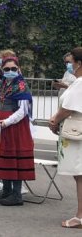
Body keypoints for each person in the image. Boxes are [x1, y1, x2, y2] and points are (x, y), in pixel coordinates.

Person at [0, 57, 34, 206]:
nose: (10, 72)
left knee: (13, 157)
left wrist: (6, 122)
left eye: (13, 69)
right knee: (3, 156)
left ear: (18, 69)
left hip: (14, 127)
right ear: (2, 70)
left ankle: (16, 195)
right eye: (7, 69)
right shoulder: (0, 86)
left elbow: (23, 111)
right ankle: (6, 191)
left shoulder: (22, 86)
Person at [49, 47, 82, 228]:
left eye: (70, 62)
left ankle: (80, 216)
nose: (69, 65)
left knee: (80, 174)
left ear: (79, 63)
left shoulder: (80, 82)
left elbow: (68, 107)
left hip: (78, 131)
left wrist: (54, 120)